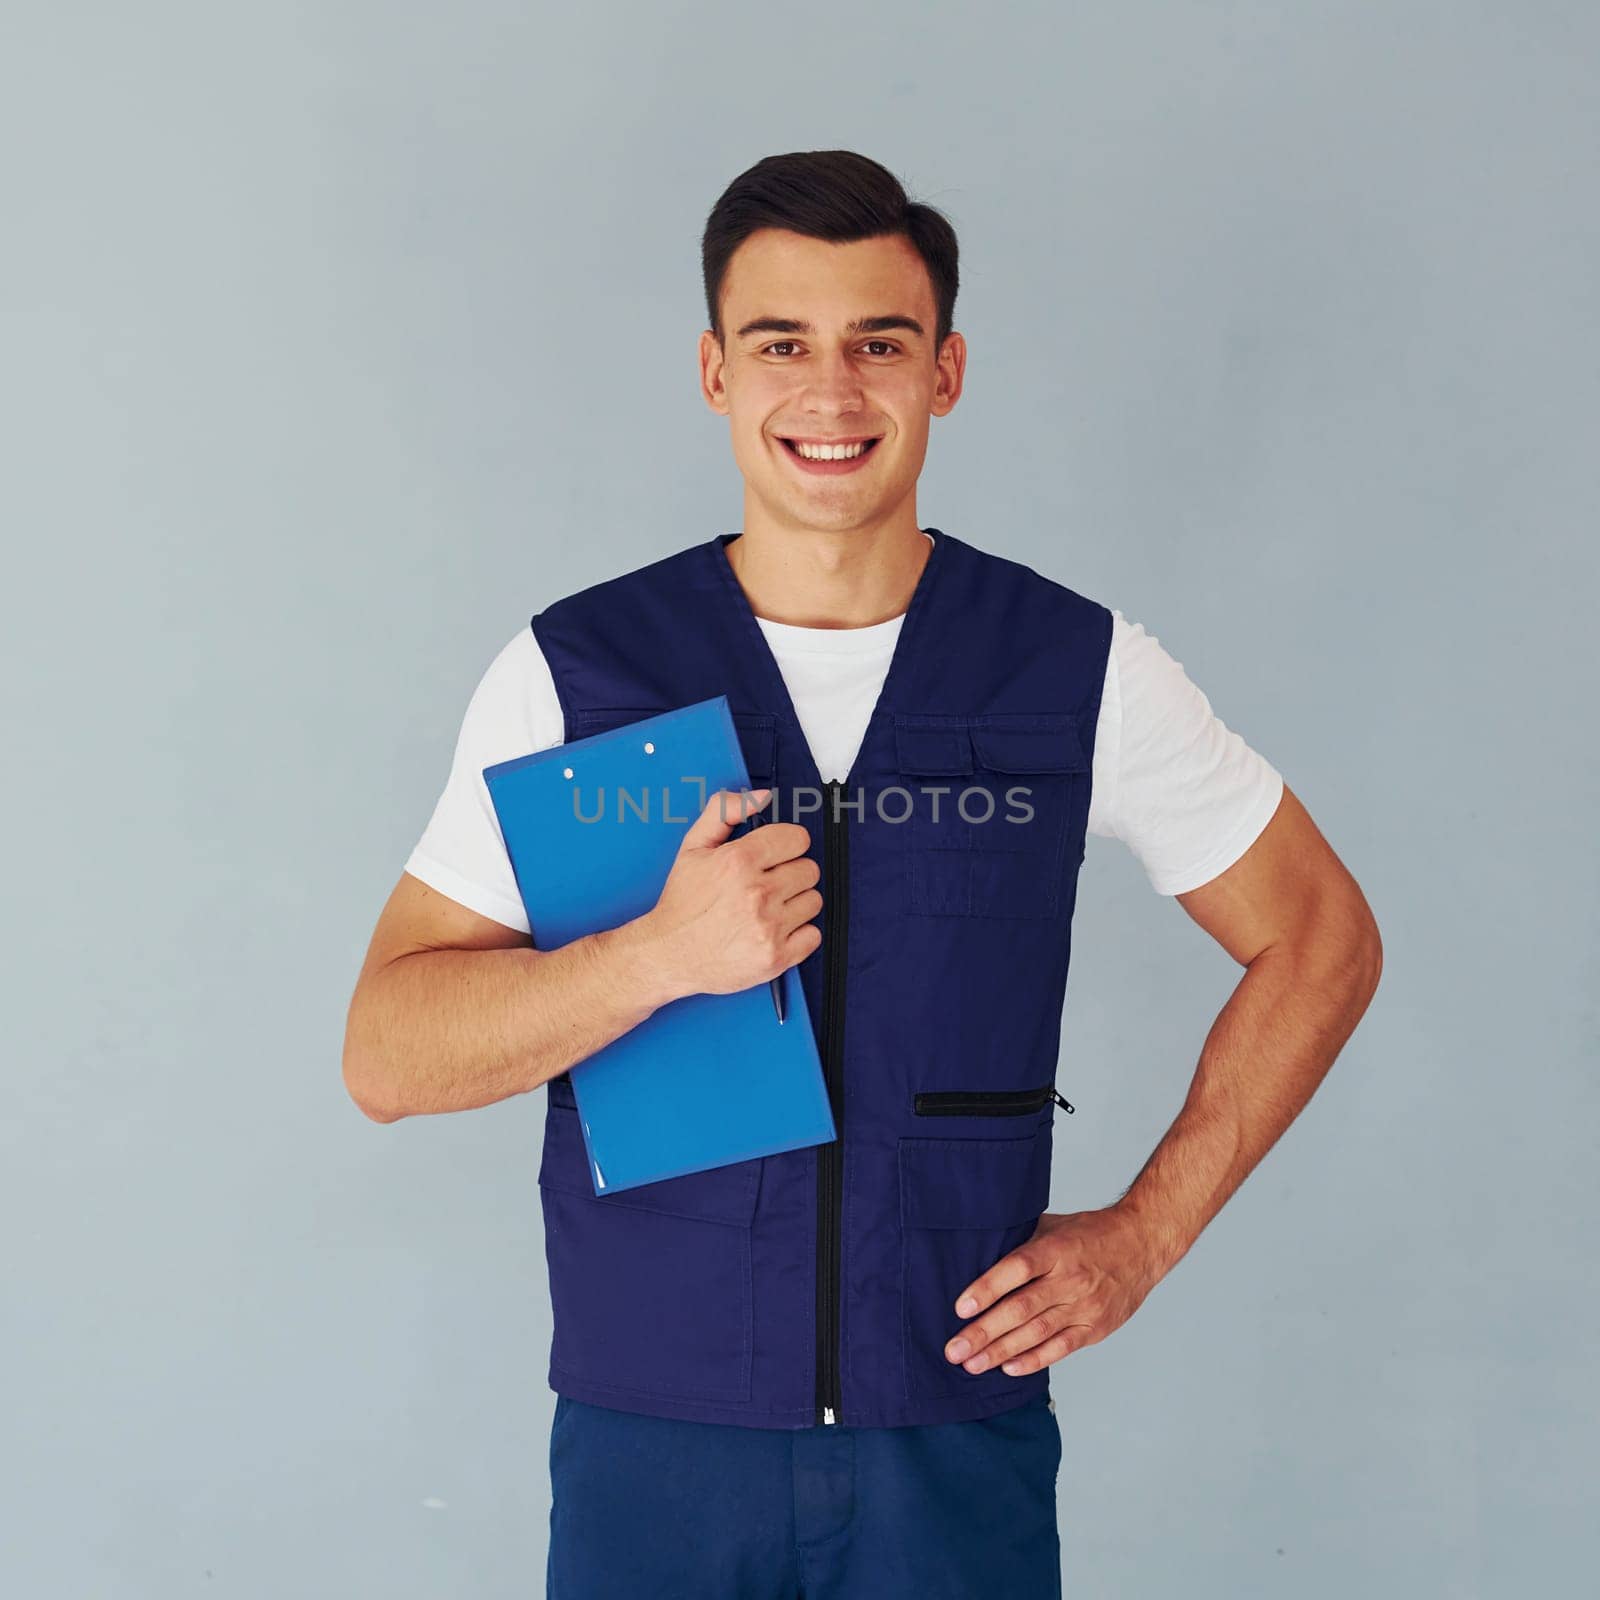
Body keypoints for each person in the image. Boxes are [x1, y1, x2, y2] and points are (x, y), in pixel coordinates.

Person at [342, 150, 1382, 1598]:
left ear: (945, 373)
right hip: (658, 1447)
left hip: (948, 1446)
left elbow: (1323, 940)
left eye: (878, 345)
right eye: (781, 345)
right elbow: (387, 1052)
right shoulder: (579, 674)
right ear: (715, 372)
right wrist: (657, 955)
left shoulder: (1074, 670)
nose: (830, 395)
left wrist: (1146, 1236)